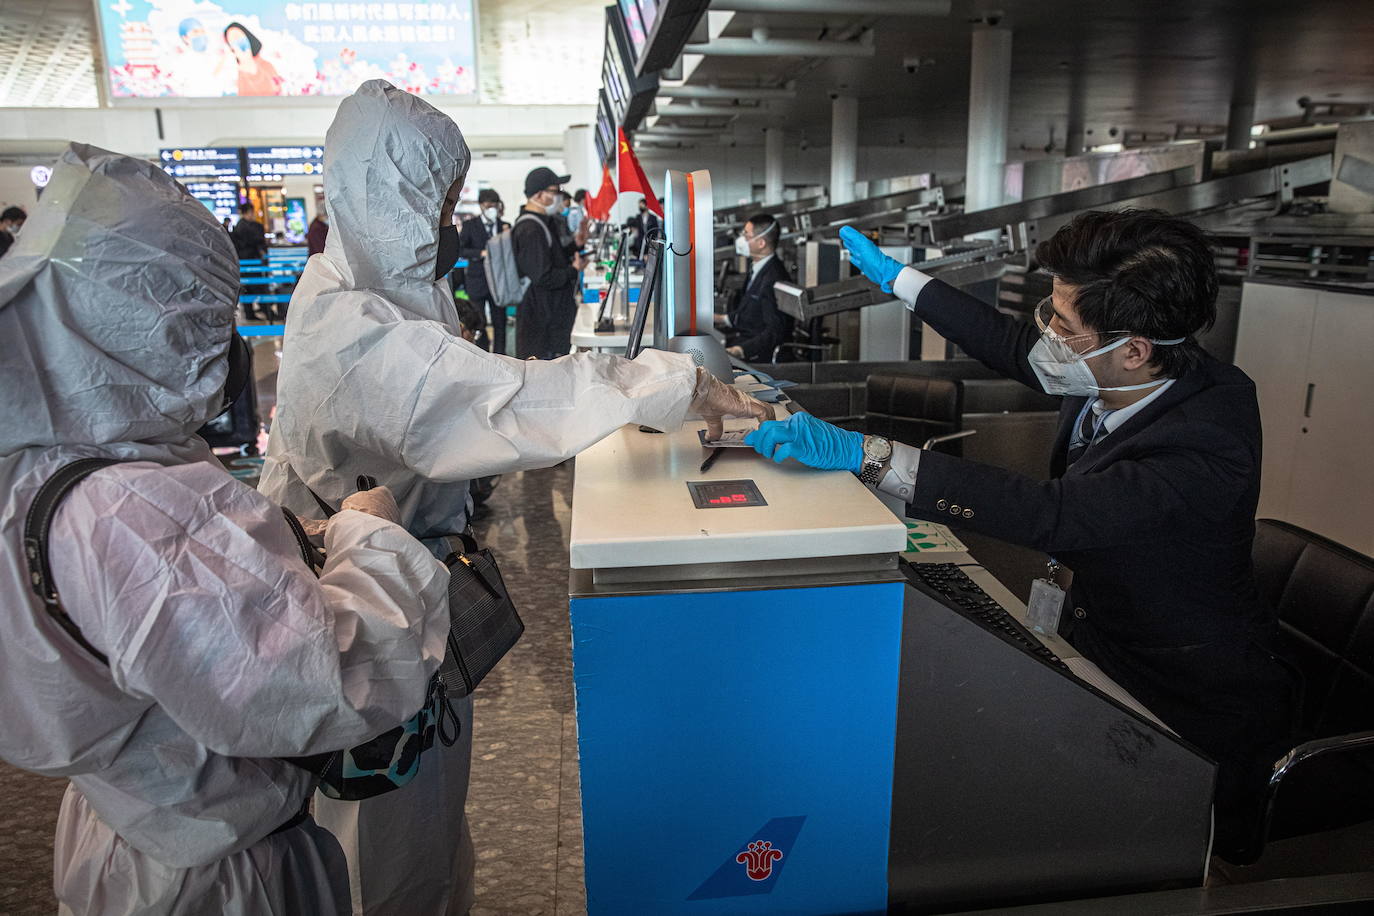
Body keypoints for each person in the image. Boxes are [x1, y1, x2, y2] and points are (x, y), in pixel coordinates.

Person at [258, 80, 771, 916]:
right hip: (358, 609)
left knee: (426, 835)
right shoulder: (349, 327)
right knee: (380, 863)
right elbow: (499, 402)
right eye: (438, 201)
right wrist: (676, 384)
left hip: (407, 597)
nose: (448, 221)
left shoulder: (383, 296)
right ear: (385, 197)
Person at [748, 210, 1298, 848]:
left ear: (1135, 349)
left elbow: (1054, 514)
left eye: (1063, 324)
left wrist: (866, 455)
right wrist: (903, 281)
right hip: (1100, 642)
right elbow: (1017, 350)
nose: (1047, 335)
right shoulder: (1116, 367)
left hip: (1183, 700)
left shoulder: (1207, 444)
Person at [0, 143, 452, 915]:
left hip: (124, 830)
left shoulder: (37, 474)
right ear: (143, 323)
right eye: (206, 317)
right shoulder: (135, 511)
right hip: (212, 870)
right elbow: (324, 686)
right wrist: (366, 536)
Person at [512, 166, 584, 360]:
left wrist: (575, 247)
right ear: (539, 195)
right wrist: (573, 270)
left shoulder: (544, 221)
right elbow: (543, 276)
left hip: (552, 312)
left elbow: (553, 255)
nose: (560, 196)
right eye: (555, 191)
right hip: (541, 317)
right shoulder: (529, 229)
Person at [725, 214, 794, 362]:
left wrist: (739, 351)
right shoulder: (757, 269)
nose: (741, 240)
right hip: (742, 339)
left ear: (761, 243)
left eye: (746, 235)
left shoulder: (774, 277)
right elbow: (749, 313)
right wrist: (718, 318)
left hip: (757, 355)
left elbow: (775, 331)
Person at [457, 188, 507, 353]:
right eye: (488, 205)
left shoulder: (504, 227)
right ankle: (483, 353)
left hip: (499, 282)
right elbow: (461, 250)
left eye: (494, 205)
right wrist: (480, 253)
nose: (491, 208)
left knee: (500, 322)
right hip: (477, 280)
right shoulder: (470, 225)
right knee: (479, 321)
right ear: (481, 205)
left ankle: (501, 355)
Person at [224, 21, 281, 96]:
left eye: (238, 37)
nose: (237, 42)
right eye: (232, 41)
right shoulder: (238, 72)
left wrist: (252, 69)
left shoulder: (267, 65)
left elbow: (275, 92)